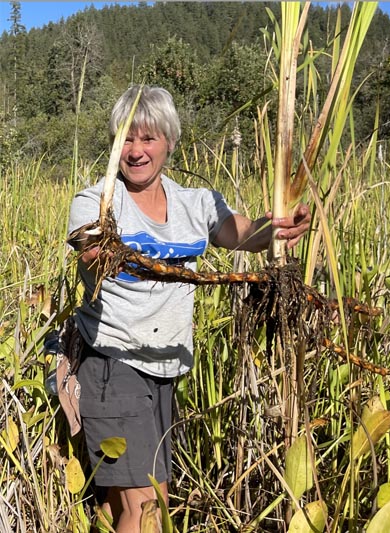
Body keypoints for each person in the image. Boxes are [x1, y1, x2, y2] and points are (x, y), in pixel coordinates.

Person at [68, 84, 311, 532]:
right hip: (112, 363)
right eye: (127, 139)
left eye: (149, 138)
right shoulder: (97, 200)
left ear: (170, 143)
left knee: (118, 504)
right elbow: (90, 251)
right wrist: (110, 254)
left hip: (165, 371)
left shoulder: (194, 203)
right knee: (146, 507)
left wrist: (278, 227)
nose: (136, 151)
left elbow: (242, 234)